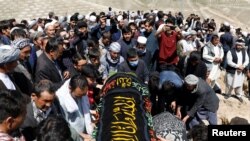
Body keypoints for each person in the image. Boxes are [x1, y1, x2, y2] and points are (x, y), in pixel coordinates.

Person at [56, 75, 93, 140]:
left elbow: (84, 109)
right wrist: (81, 135)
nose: (81, 98)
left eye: (83, 95)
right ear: (70, 88)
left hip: (84, 132)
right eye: (78, 96)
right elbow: (65, 124)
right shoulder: (61, 100)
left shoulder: (81, 92)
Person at [225, 38, 249, 102]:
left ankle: (238, 95)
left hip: (240, 71)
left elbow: (247, 60)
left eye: (240, 45)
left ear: (242, 46)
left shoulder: (244, 51)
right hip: (232, 70)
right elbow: (229, 62)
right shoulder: (230, 51)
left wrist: (243, 66)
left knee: (239, 83)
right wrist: (238, 66)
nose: (239, 46)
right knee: (229, 83)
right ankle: (228, 94)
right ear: (235, 45)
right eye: (238, 45)